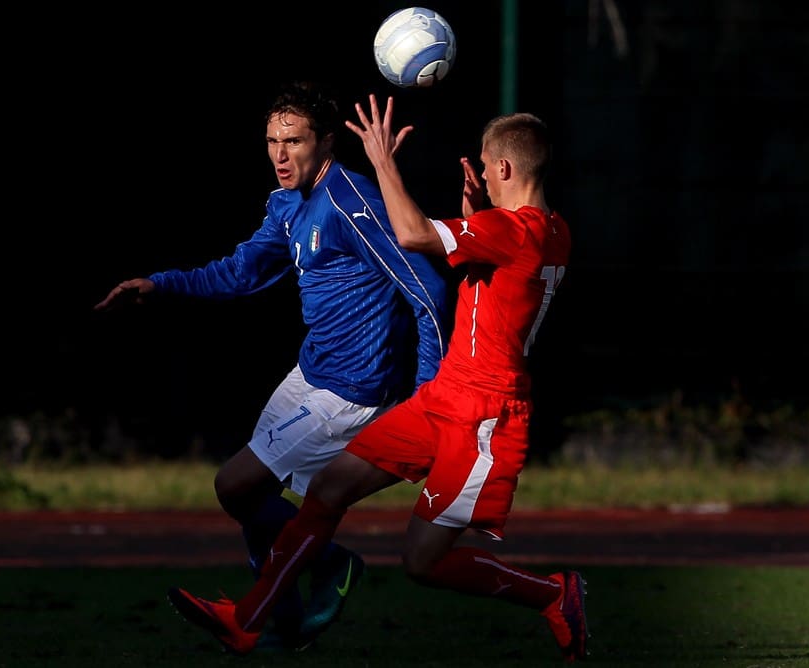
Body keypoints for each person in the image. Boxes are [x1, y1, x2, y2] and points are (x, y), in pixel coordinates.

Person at [166, 95, 588, 663]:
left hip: (483, 414)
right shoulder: (550, 228)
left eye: (486, 167)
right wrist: (470, 214)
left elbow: (413, 236)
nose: (483, 174)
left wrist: (382, 158)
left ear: (506, 169)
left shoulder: (516, 230)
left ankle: (554, 594)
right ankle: (247, 621)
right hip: (443, 396)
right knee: (329, 490)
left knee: (423, 562)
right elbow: (496, 275)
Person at [96, 82, 449, 650]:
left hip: (352, 388)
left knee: (234, 484)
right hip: (311, 372)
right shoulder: (286, 202)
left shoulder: (349, 201)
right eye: (271, 141)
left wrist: (429, 394)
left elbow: (427, 289)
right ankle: (287, 621)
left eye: (294, 141)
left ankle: (329, 566)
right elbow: (241, 272)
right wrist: (160, 286)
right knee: (247, 497)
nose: (280, 154)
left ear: (326, 142)